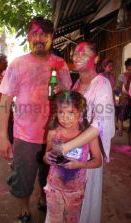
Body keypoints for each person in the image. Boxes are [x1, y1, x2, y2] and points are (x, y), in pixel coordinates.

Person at [0, 16, 72, 223]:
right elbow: (4, 102)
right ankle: (24, 209)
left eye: (45, 34)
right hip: (25, 137)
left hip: (54, 135)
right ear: (29, 37)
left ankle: (42, 197)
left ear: (52, 37)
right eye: (35, 34)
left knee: (49, 173)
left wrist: (63, 92)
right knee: (22, 178)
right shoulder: (18, 64)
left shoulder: (60, 64)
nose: (40, 39)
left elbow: (69, 97)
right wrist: (3, 137)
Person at [53, 41, 115, 223]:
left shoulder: (102, 84)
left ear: (95, 59)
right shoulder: (76, 83)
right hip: (72, 152)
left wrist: (65, 147)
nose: (77, 56)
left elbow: (99, 125)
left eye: (83, 53)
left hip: (89, 155)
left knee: (84, 203)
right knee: (68, 200)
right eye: (75, 53)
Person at [43, 90, 102, 223]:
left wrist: (80, 164)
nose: (65, 118)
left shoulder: (88, 135)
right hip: (53, 187)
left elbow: (98, 161)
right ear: (56, 113)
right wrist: (46, 157)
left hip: (76, 190)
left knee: (72, 219)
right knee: (54, 219)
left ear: (80, 113)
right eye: (61, 113)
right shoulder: (53, 133)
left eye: (71, 113)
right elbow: (46, 156)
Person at [116, 58, 131, 136]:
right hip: (124, 97)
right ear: (126, 67)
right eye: (129, 67)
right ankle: (120, 129)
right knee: (121, 113)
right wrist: (117, 99)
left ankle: (129, 128)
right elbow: (118, 88)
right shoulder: (122, 75)